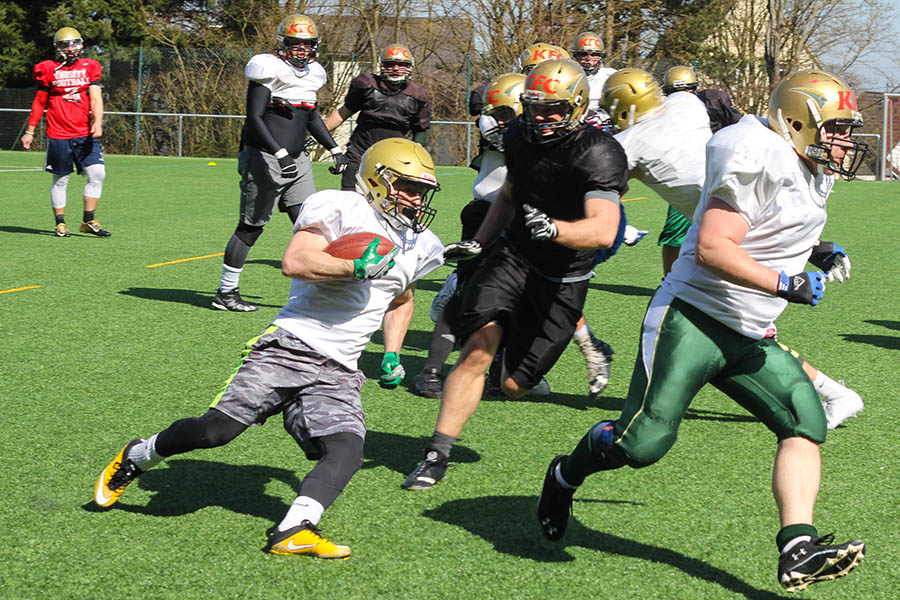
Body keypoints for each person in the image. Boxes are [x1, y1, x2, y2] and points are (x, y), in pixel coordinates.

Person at [537, 69, 868, 593]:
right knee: (641, 444)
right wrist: (785, 282)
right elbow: (715, 247)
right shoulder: (760, 152)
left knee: (805, 422)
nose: (845, 141)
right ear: (798, 120)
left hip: (748, 327)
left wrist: (814, 251)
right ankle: (564, 475)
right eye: (836, 128)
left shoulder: (806, 163)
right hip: (693, 317)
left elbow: (775, 226)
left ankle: (797, 547)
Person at [93, 138, 444, 558]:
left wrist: (392, 351)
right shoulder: (343, 207)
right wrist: (354, 267)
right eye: (406, 186)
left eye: (422, 190)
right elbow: (295, 261)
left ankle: (294, 528)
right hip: (291, 345)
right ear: (377, 179)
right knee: (214, 433)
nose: (415, 198)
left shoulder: (422, 244)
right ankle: (138, 454)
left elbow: (401, 299)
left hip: (342, 367)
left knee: (346, 450)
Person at [402, 59, 629, 490]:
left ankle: (559, 346)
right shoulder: (518, 134)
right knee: (477, 349)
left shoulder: (598, 151)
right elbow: (509, 193)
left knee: (512, 385)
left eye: (553, 109)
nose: (541, 118)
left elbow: (602, 229)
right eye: (533, 107)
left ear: (577, 107)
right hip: (514, 255)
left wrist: (557, 229)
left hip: (563, 277)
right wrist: (482, 242)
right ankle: (436, 454)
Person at [606, 68, 862, 428]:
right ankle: (834, 392)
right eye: (836, 129)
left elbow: (601, 186)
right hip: (736, 219)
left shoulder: (632, 139)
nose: (845, 140)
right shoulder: (685, 105)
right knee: (750, 330)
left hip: (729, 223)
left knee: (749, 329)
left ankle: (835, 393)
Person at [213, 14, 347, 313]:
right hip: (264, 156)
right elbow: (255, 118)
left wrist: (335, 148)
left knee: (310, 223)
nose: (301, 51)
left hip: (297, 160)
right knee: (251, 226)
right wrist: (280, 154)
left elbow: (311, 117)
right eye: (295, 44)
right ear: (282, 44)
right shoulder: (267, 68)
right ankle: (226, 292)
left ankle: (319, 290)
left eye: (306, 45)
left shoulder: (314, 74)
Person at [21, 26, 109, 238]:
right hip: (59, 133)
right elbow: (39, 102)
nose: (71, 49)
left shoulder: (90, 67)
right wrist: (30, 131)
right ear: (57, 47)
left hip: (84, 133)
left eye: (75, 43)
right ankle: (60, 223)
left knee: (97, 174)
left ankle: (88, 220)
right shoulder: (48, 69)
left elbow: (96, 97)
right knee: (61, 179)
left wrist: (98, 121)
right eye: (65, 44)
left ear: (81, 45)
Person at [658, 65, 742, 275]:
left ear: (694, 90)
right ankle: (669, 279)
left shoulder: (713, 102)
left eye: (686, 91)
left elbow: (739, 128)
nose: (682, 98)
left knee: (731, 229)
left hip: (717, 173)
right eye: (675, 93)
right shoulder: (660, 114)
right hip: (684, 177)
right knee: (674, 233)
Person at [324, 44, 431, 191]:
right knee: (350, 195)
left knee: (387, 200)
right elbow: (343, 112)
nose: (395, 68)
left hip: (393, 157)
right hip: (359, 151)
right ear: (382, 65)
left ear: (410, 67)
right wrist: (318, 133)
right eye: (390, 64)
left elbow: (420, 131)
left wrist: (415, 154)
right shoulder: (365, 84)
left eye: (401, 65)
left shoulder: (417, 95)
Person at [570, 32, 616, 121]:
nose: (588, 59)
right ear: (576, 55)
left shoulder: (611, 76)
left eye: (594, 54)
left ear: (600, 56)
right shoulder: (568, 76)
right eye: (583, 54)